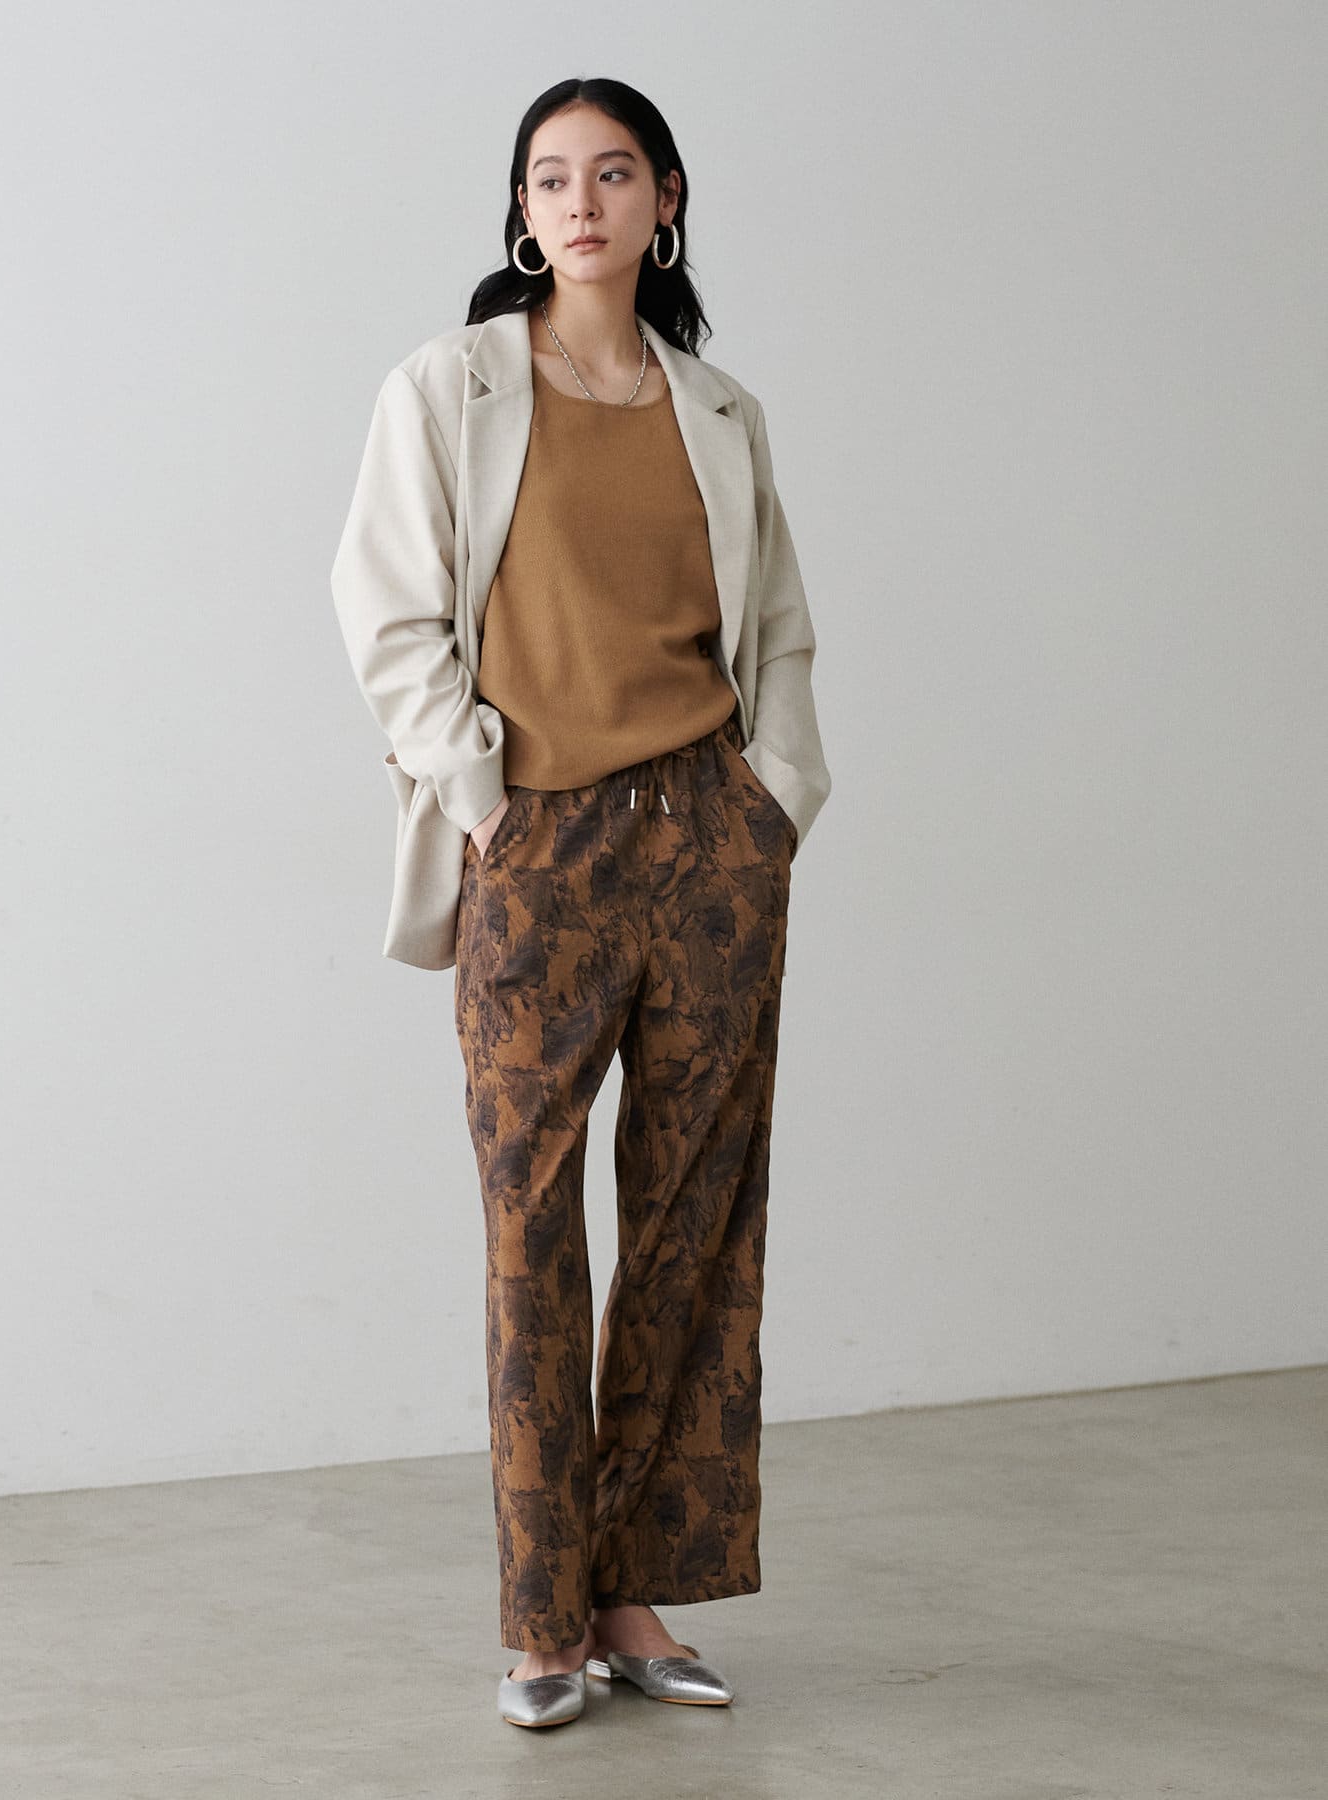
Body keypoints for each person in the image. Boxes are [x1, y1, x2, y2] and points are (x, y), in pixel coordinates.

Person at [330, 76, 831, 1728]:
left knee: (693, 1223)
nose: (583, 203)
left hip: (709, 844)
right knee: (530, 1228)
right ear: (523, 211)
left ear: (666, 200)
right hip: (537, 849)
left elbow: (778, 632)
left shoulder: (721, 410)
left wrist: (772, 803)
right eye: (552, 178)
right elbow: (388, 611)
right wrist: (479, 794)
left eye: (614, 174)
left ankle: (632, 1595)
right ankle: (544, 1619)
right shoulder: (451, 385)